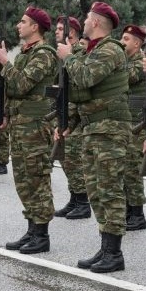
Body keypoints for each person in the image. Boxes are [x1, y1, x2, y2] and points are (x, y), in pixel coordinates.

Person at [61, 3, 131, 272]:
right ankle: (105, 248)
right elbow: (85, 95)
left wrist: (69, 57)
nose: (84, 22)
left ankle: (114, 253)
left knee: (110, 190)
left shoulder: (111, 50)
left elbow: (86, 78)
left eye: (88, 18)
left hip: (110, 129)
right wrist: (72, 121)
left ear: (98, 23)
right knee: (96, 190)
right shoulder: (94, 50)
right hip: (94, 128)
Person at [0, 7, 60, 253]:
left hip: (35, 125)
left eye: (23, 22)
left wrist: (4, 62)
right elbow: (11, 90)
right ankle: (32, 229)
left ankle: (42, 235)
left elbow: (21, 84)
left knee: (37, 177)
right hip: (20, 124)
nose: (18, 26)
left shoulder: (44, 54)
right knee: (23, 179)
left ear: (35, 27)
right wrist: (4, 113)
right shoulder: (24, 54)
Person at [54, 16, 90, 219]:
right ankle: (74, 198)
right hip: (64, 112)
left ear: (72, 33)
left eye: (61, 29)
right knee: (65, 158)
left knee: (74, 157)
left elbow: (79, 87)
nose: (57, 31)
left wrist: (70, 119)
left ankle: (83, 202)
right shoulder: (62, 54)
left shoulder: (79, 53)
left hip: (77, 115)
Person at [120, 23, 146, 230]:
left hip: (137, 124)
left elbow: (124, 78)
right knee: (124, 168)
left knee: (132, 170)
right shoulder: (126, 60)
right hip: (126, 121)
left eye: (127, 39)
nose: (122, 42)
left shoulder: (140, 62)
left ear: (137, 44)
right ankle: (129, 210)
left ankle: (137, 214)